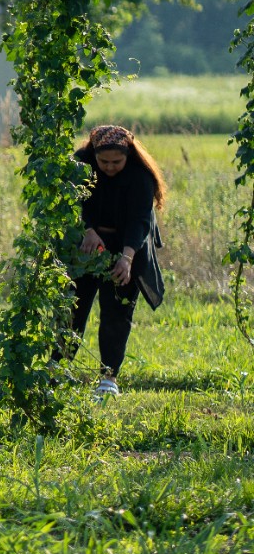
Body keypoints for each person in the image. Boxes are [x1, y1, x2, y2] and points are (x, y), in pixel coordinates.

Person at [65, 124, 167, 396]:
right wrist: (86, 231)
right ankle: (58, 369)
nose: (109, 167)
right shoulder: (80, 166)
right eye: (103, 162)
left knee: (117, 312)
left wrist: (126, 259)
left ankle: (109, 378)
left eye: (116, 162)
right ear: (93, 154)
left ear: (128, 155)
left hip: (127, 246)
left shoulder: (140, 176)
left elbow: (140, 221)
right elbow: (70, 204)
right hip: (86, 246)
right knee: (73, 306)